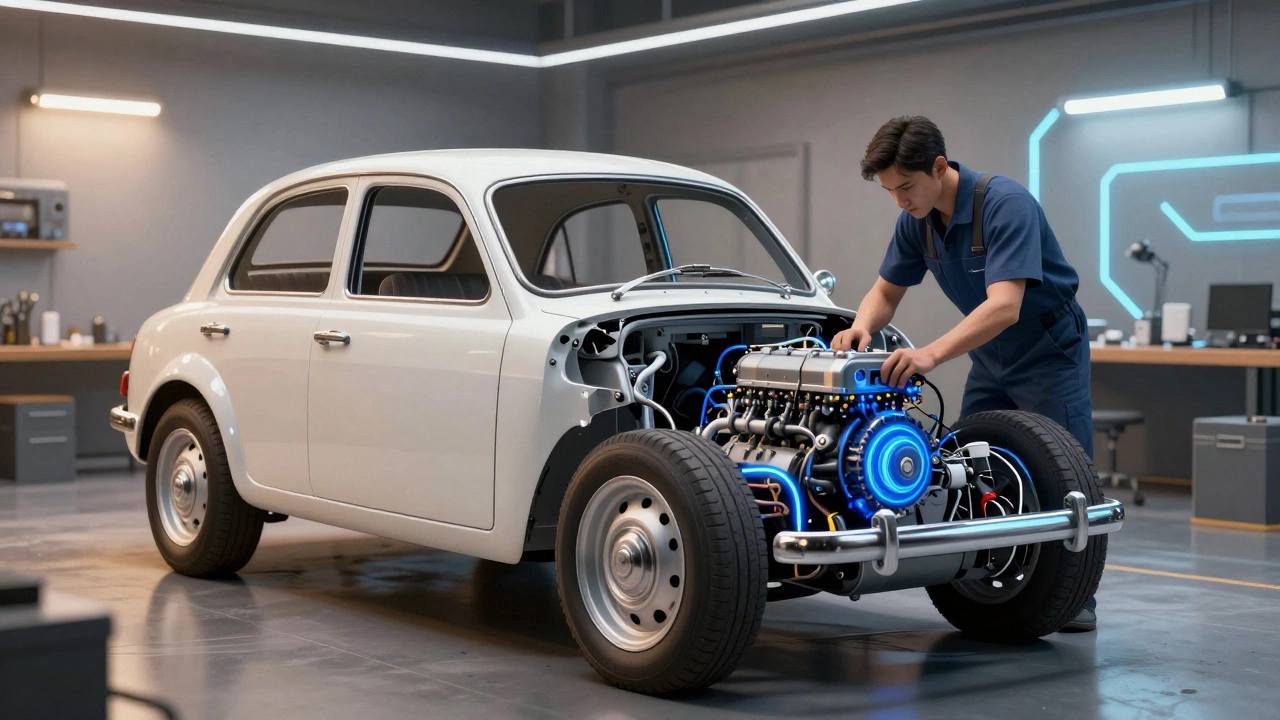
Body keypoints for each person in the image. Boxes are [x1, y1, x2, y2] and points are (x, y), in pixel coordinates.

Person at [832, 116, 1097, 632]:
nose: (899, 201)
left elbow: (1005, 305)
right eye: (889, 191)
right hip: (991, 354)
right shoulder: (916, 219)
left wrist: (929, 354)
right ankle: (981, 580)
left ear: (939, 167)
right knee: (971, 468)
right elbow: (885, 292)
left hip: (1046, 347)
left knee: (1063, 472)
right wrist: (859, 327)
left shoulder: (1005, 205)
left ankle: (1076, 597)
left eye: (905, 187)